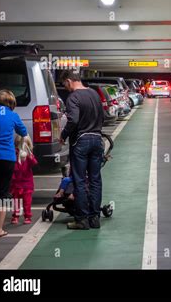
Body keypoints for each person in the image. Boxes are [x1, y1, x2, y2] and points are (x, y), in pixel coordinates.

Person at [60, 70, 105, 230]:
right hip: (97, 139)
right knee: (95, 180)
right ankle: (94, 219)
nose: (66, 89)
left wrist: (63, 135)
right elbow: (103, 116)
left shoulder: (73, 97)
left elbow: (73, 120)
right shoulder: (94, 93)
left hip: (81, 141)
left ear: (69, 81)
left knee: (79, 180)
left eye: (65, 85)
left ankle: (82, 220)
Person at [0, 90, 27, 237]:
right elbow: (24, 132)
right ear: (11, 103)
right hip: (6, 158)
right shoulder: (13, 115)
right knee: (1, 193)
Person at [10, 136, 38, 225]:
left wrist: (29, 154)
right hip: (16, 182)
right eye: (20, 144)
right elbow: (12, 165)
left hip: (27, 183)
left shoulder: (29, 155)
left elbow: (34, 162)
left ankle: (27, 216)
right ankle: (16, 215)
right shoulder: (14, 153)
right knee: (16, 201)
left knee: (27, 201)